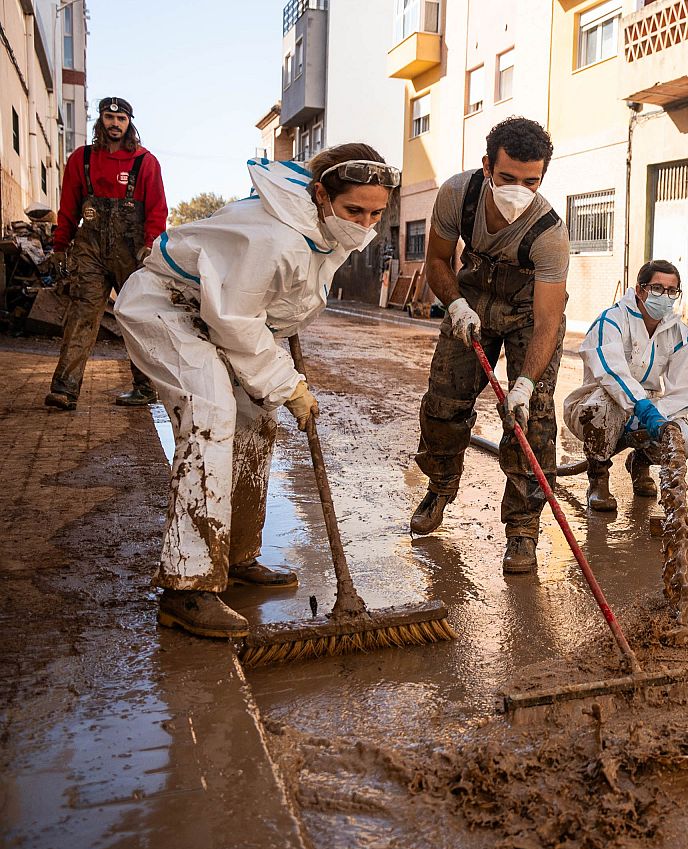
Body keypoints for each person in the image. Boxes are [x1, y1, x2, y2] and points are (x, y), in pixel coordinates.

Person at [113, 145, 396, 638]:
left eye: (376, 213)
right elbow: (237, 321)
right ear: (321, 193)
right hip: (168, 307)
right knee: (211, 413)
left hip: (219, 316)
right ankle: (187, 587)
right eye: (354, 211)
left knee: (255, 421)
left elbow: (274, 305)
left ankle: (235, 555)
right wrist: (289, 384)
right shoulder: (277, 235)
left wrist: (280, 361)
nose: (365, 223)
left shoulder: (321, 230)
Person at [410, 117, 570, 575]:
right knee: (444, 402)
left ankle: (522, 529)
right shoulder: (457, 196)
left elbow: (547, 323)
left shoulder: (549, 235)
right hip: (472, 297)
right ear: (487, 167)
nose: (518, 189)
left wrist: (522, 384)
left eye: (531, 181)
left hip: (527, 311)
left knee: (531, 419)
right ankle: (440, 486)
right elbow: (437, 261)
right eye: (507, 178)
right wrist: (455, 305)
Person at [44, 97, 168, 410]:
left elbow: (157, 208)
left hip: (132, 251)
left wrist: (150, 243)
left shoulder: (146, 162)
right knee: (82, 314)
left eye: (121, 119)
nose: (115, 124)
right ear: (100, 121)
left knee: (135, 317)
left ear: (130, 123)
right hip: (91, 249)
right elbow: (68, 207)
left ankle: (145, 387)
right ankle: (64, 389)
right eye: (109, 117)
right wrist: (60, 246)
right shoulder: (81, 160)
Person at [562, 261, 688, 511]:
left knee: (687, 438)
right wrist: (643, 409)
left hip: (645, 409)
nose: (665, 296)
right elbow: (611, 372)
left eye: (672, 291)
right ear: (639, 290)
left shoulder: (680, 333)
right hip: (598, 403)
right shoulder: (612, 320)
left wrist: (658, 417)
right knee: (603, 406)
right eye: (657, 288)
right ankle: (598, 477)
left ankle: (640, 460)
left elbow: (686, 388)